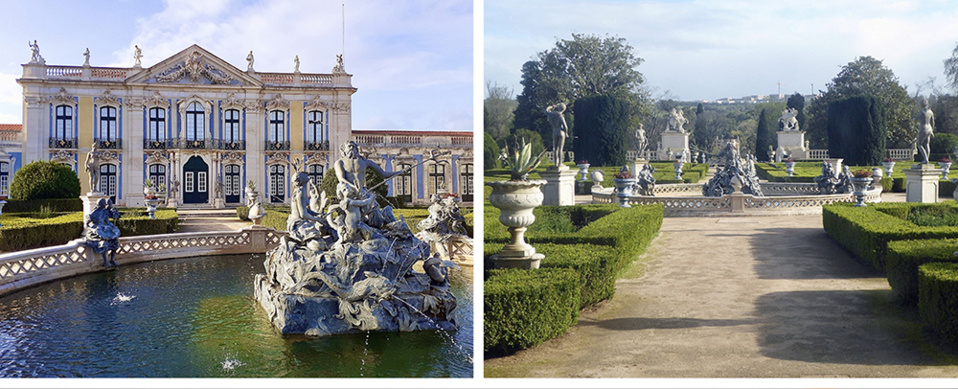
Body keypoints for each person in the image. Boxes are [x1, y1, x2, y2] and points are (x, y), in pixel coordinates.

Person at [917, 97, 935, 164]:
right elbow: (933, 122)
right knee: (927, 144)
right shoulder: (930, 112)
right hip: (929, 129)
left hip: (923, 128)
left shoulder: (921, 111)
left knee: (919, 145)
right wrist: (932, 131)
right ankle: (927, 159)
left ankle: (925, 159)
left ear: (922, 104)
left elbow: (916, 118)